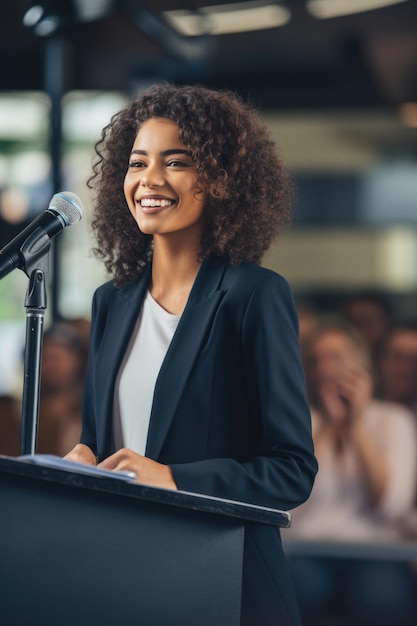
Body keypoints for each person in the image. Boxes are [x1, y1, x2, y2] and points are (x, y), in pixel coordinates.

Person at [64, 82, 318, 625]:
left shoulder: (253, 295)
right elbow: (103, 439)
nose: (149, 180)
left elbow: (291, 471)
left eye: (175, 162)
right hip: (122, 574)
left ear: (220, 179)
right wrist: (84, 458)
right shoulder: (111, 302)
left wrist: (175, 478)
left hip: (223, 579)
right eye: (137, 163)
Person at [284, 316, 417, 626]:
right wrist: (330, 427)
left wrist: (355, 425)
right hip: (307, 548)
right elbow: (291, 498)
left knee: (380, 600)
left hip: (377, 551)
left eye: (337, 357)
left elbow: (390, 505)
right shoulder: (303, 422)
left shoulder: (393, 419)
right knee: (296, 591)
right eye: (316, 360)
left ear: (362, 361)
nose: (325, 368)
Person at [36, 320, 89, 456]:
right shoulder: (22, 411)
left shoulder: (89, 409)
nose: (53, 365)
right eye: (47, 358)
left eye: (59, 358)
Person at [378, 323, 417, 418]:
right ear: (381, 361)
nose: (404, 368)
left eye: (414, 360)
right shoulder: (363, 412)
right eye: (397, 357)